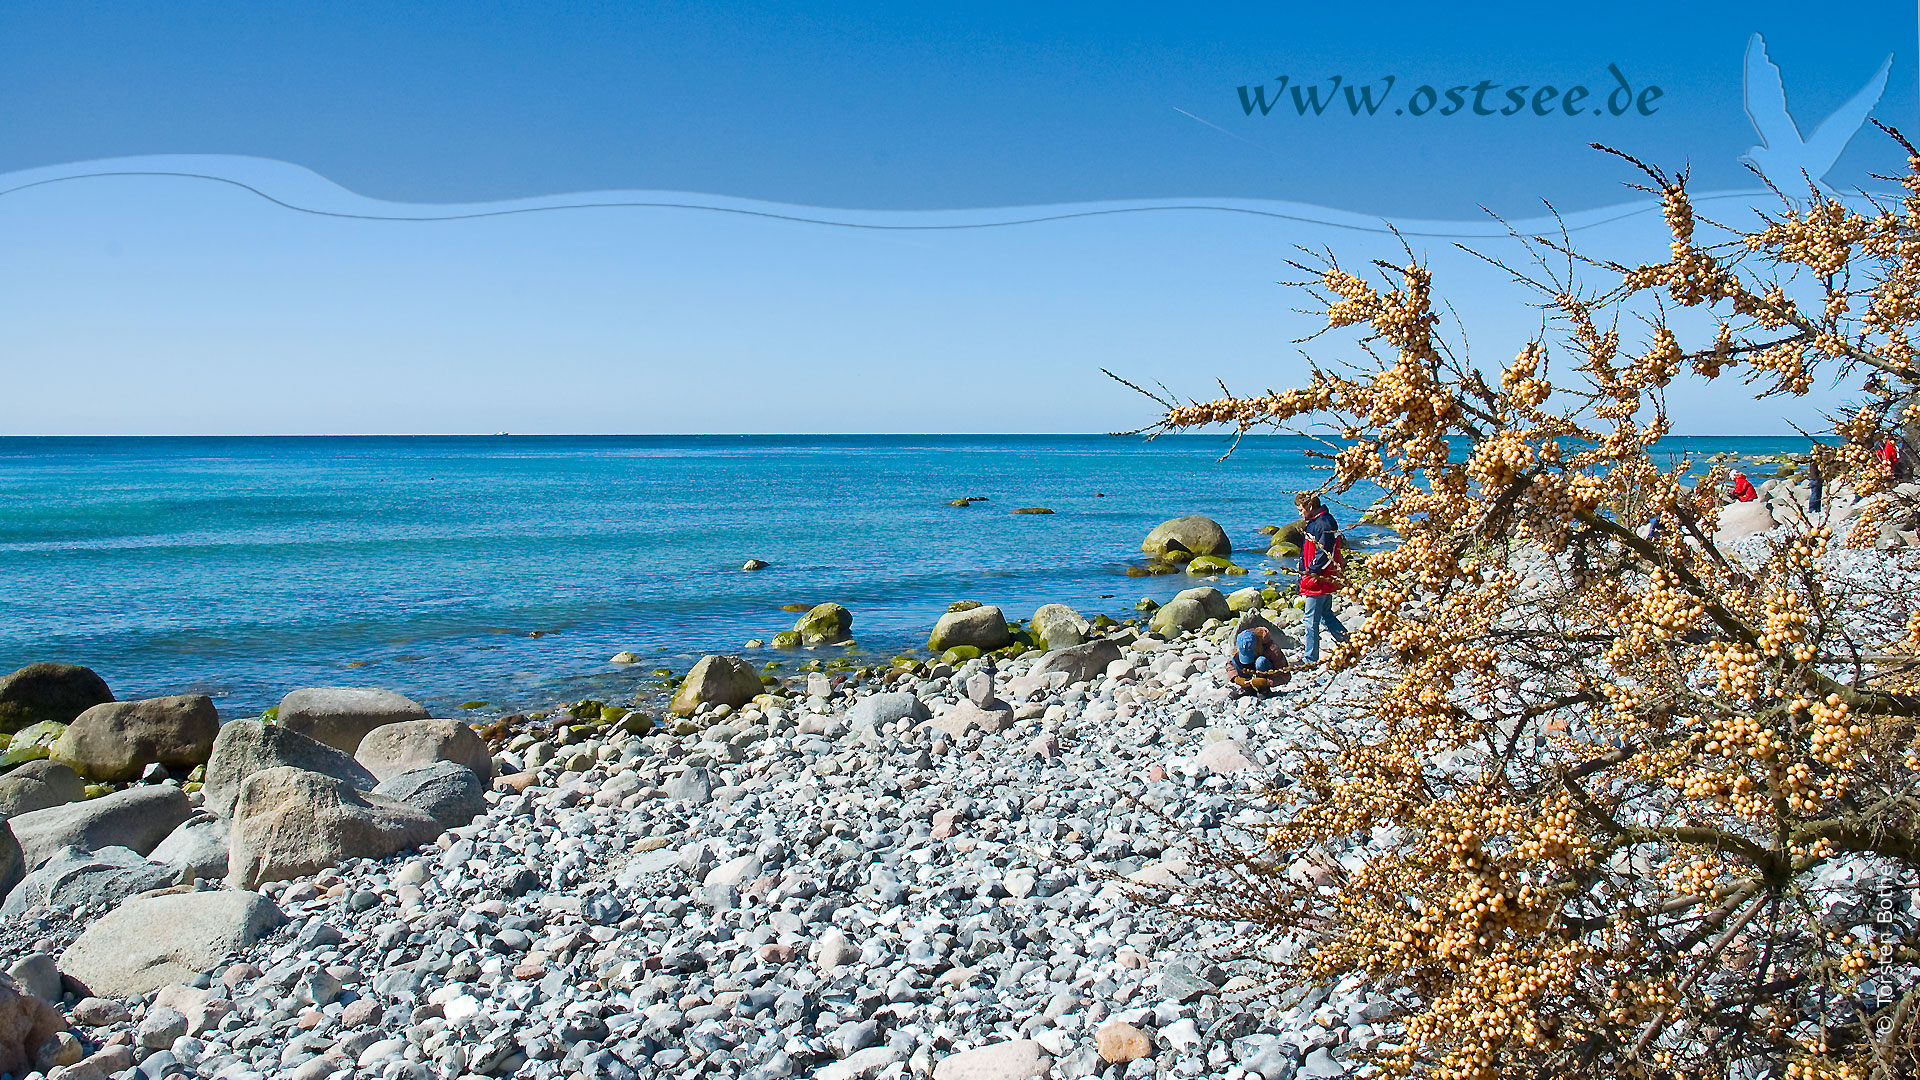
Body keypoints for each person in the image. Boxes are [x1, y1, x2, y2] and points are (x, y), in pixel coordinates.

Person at [1295, 492, 1351, 664]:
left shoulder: (1323, 524)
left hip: (1318, 580)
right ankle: (1349, 644)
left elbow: (1325, 554)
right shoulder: (1319, 522)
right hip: (1320, 578)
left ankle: (1310, 659)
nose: (1300, 513)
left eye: (1301, 509)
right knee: (1326, 614)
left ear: (1310, 507)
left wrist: (1310, 573)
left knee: (1310, 620)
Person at [1230, 626, 1289, 696]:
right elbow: (1230, 665)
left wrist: (1265, 682)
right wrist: (1237, 679)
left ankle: (1263, 690)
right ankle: (1247, 689)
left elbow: (1285, 675)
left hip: (1264, 667)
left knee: (1261, 661)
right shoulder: (1239, 647)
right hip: (1249, 669)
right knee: (1234, 658)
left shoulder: (1272, 649)